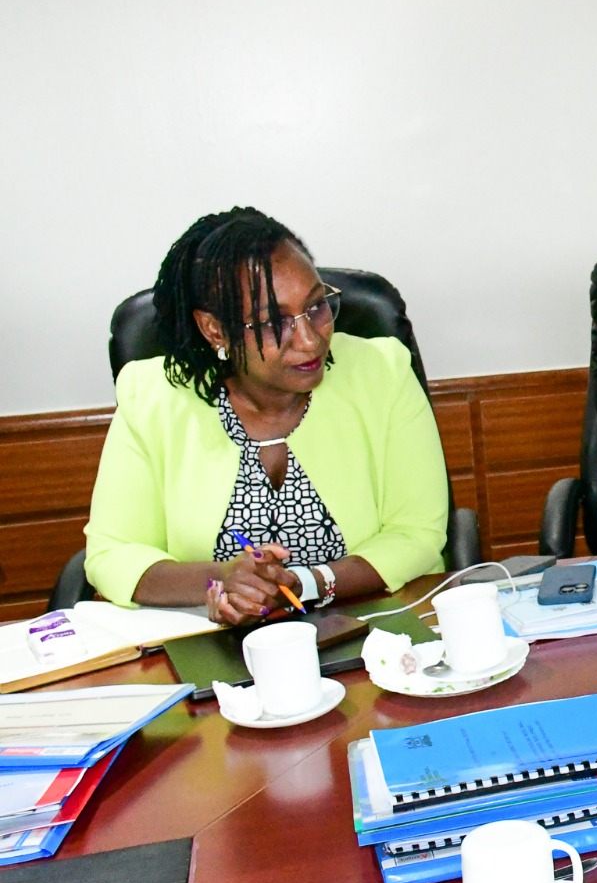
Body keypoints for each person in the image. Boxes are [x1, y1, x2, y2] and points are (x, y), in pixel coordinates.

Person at [84, 207, 449, 626]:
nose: (310, 339)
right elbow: (112, 553)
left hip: (376, 629)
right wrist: (222, 580)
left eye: (316, 307)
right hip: (216, 647)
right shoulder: (152, 397)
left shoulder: (381, 371)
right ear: (215, 330)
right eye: (274, 322)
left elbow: (418, 533)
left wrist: (308, 583)